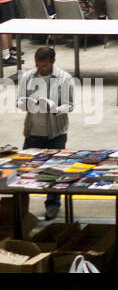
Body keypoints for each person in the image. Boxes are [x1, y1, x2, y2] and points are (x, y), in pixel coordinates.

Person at [17, 47, 75, 220]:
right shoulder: (28, 77)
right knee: (24, 170)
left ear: (52, 62)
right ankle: (21, 207)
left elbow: (70, 105)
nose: (40, 68)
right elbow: (20, 100)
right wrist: (25, 104)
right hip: (33, 132)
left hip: (55, 133)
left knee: (53, 171)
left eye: (44, 65)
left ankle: (52, 205)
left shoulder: (64, 78)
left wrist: (54, 108)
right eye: (38, 65)